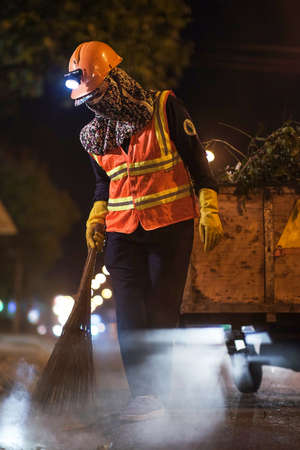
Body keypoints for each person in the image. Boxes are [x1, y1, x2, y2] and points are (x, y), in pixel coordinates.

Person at [65, 41, 224, 421]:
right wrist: (96, 215)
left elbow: (196, 160)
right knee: (131, 314)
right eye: (89, 99)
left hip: (171, 226)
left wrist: (209, 207)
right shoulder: (93, 137)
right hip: (122, 233)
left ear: (116, 80)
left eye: (101, 95)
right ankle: (145, 395)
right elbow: (104, 183)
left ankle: (160, 392)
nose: (96, 105)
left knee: (160, 311)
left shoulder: (165, 106)